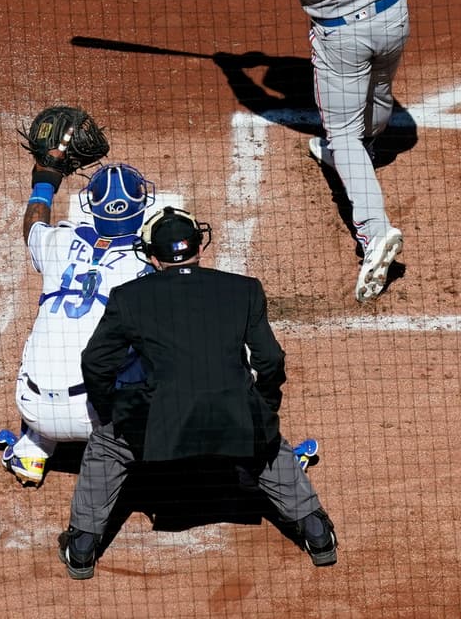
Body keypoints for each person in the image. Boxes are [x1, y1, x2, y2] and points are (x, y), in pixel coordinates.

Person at [56, 205, 337, 580]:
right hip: (232, 419)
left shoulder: (129, 297)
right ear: (199, 249)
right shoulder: (244, 289)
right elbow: (270, 359)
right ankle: (318, 535)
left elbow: (95, 363)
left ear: (154, 258)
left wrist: (114, 414)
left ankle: (82, 547)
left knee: (106, 446)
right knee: (266, 445)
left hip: (160, 425)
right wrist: (263, 408)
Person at [194, 0, 408, 301]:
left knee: (343, 135)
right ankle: (365, 147)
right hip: (394, 19)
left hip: (343, 40)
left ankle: (374, 232)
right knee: (380, 91)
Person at [0, 160, 156, 487]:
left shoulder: (60, 241)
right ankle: (133, 454)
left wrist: (44, 180)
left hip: (33, 409)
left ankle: (33, 448)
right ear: (141, 205)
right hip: (98, 418)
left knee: (51, 329)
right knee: (150, 349)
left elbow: (33, 227)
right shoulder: (148, 262)